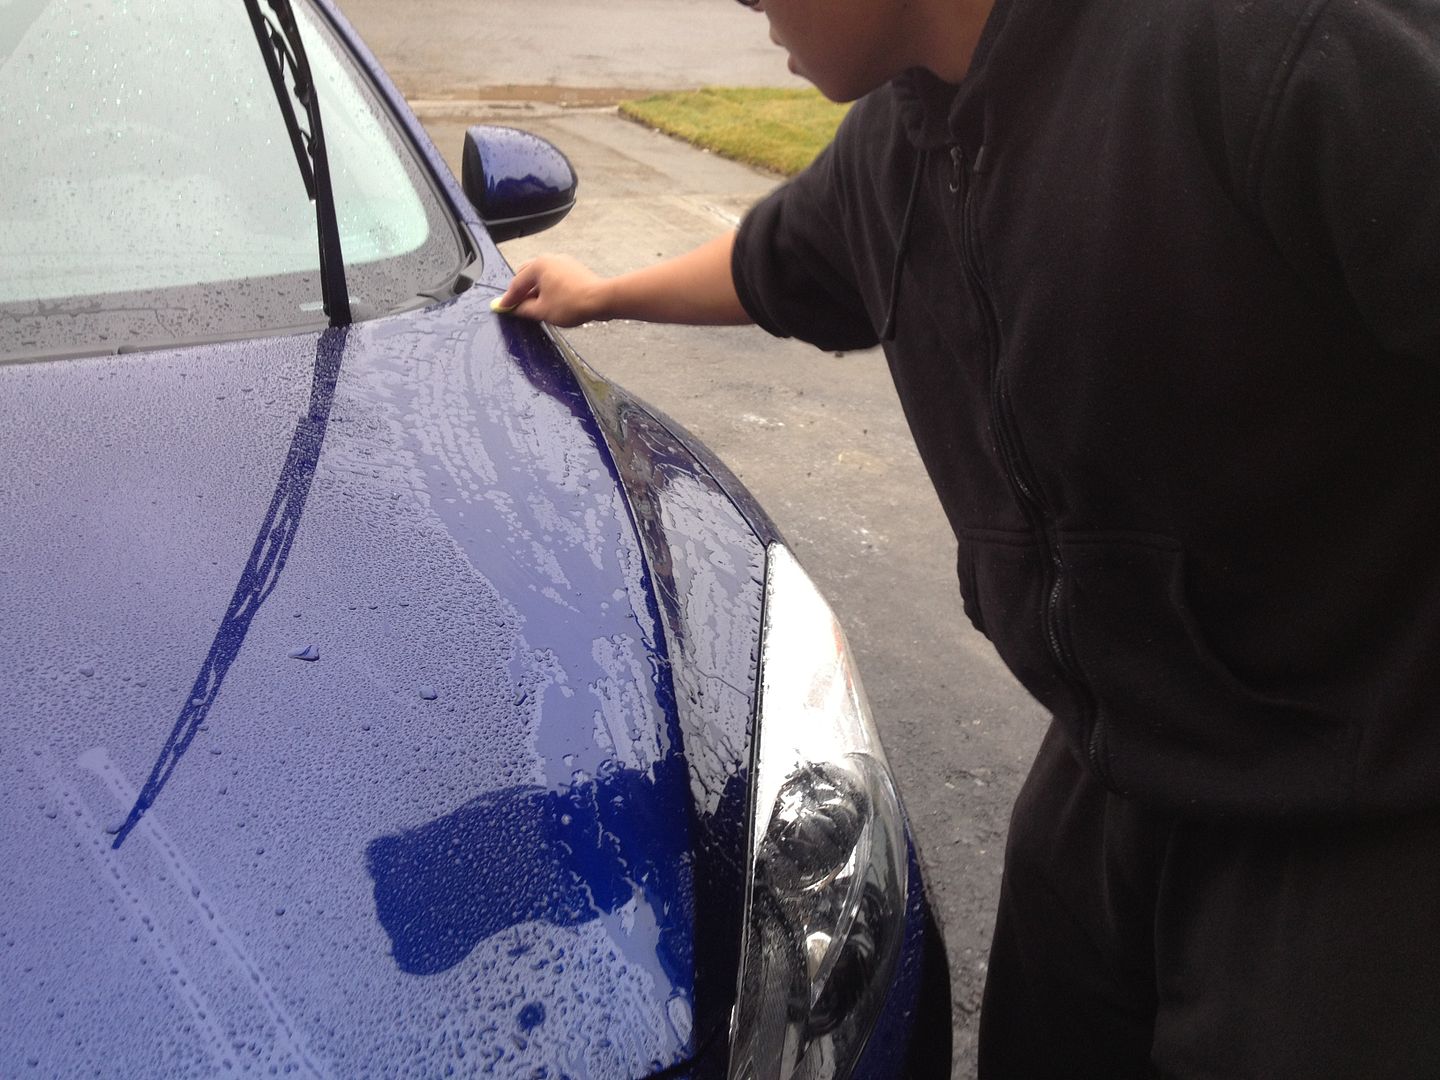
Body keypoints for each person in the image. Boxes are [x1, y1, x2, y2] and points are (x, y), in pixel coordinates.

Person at [491, 0, 1440, 1073]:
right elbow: (776, 261)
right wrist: (604, 293)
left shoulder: (1264, 44)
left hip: (1356, 809)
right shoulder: (904, 146)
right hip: (1110, 766)